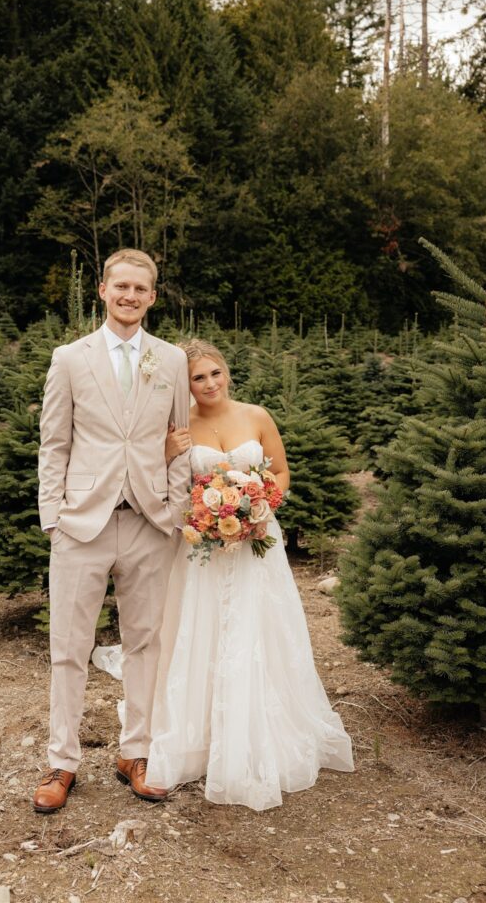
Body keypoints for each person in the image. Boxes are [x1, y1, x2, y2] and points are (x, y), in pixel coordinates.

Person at [146, 338, 354, 811]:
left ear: (226, 371)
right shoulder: (179, 428)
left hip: (255, 541)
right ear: (186, 384)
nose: (209, 383)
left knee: (256, 628)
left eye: (214, 372)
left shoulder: (256, 416)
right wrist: (165, 454)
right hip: (204, 545)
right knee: (202, 630)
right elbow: (160, 482)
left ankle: (258, 732)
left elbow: (281, 473)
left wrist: (259, 505)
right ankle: (198, 737)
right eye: (198, 377)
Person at [33, 249, 191, 812]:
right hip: (82, 524)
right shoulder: (69, 358)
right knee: (69, 647)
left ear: (153, 296)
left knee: (146, 644)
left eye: (140, 289)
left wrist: (173, 511)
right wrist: (54, 516)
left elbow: (180, 437)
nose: (130, 296)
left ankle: (136, 752)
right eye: (120, 286)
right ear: (102, 290)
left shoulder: (171, 360)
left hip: (150, 523)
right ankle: (62, 761)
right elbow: (54, 443)